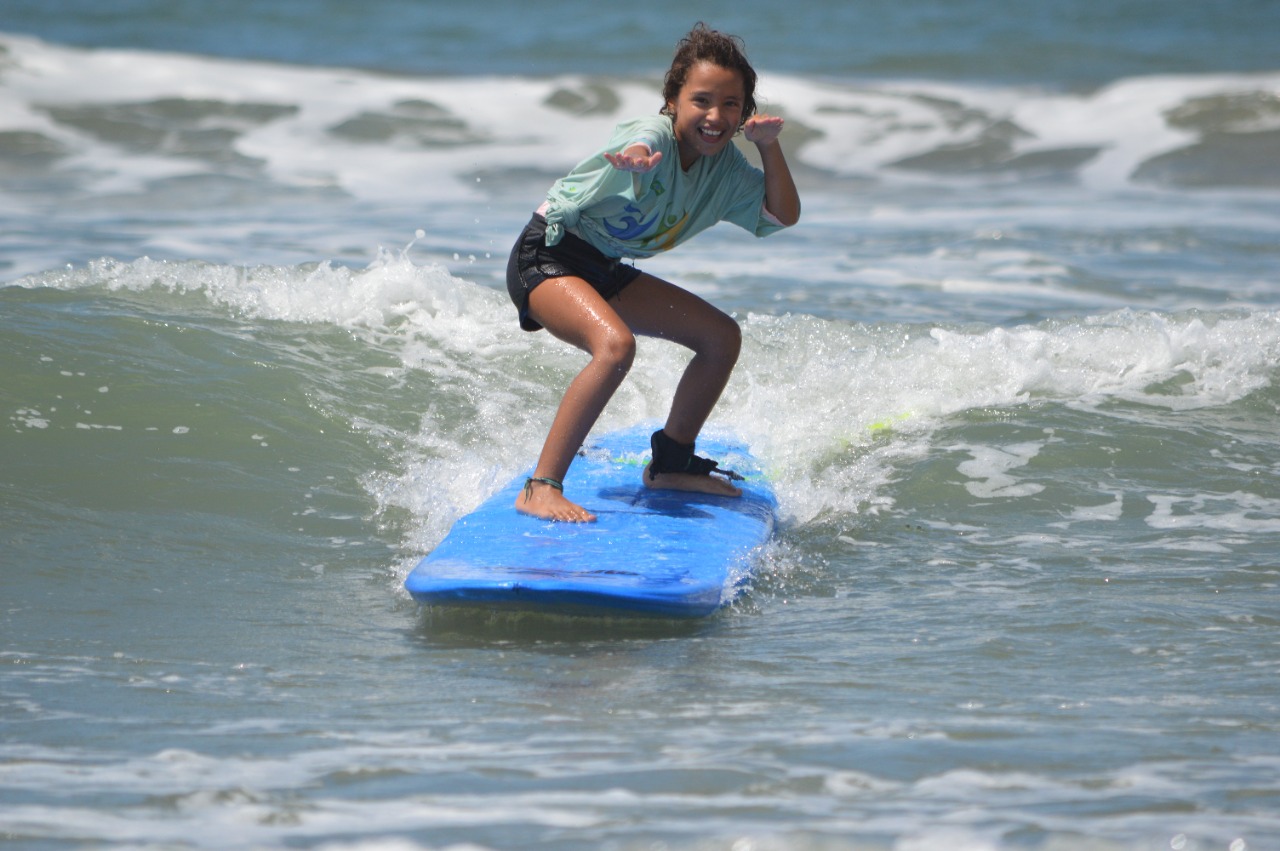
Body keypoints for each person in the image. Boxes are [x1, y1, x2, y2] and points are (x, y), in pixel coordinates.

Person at [505, 22, 801, 522]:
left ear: (744, 112)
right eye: (701, 100)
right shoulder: (652, 135)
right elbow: (639, 140)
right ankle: (541, 487)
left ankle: (670, 465)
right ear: (672, 101)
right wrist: (637, 161)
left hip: (603, 267)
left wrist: (769, 147)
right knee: (615, 346)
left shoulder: (726, 171)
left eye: (730, 104)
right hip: (549, 253)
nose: (715, 116)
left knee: (720, 337)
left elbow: (783, 214)